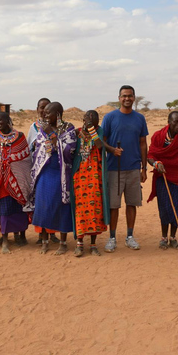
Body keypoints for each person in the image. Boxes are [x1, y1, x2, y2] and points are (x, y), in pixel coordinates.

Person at [102, 85, 147, 252]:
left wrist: (143, 168)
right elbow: (102, 141)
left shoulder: (140, 118)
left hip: (134, 168)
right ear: (119, 98)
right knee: (114, 205)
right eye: (124, 96)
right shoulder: (110, 117)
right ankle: (112, 238)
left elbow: (143, 143)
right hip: (114, 168)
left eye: (130, 96)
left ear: (134, 98)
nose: (127, 98)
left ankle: (130, 236)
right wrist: (112, 150)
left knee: (132, 203)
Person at [31, 102, 76, 255]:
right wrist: (47, 134)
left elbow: (70, 151)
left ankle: (63, 243)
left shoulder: (68, 128)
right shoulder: (42, 129)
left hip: (62, 174)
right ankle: (44, 242)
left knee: (62, 207)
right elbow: (38, 149)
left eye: (48, 112)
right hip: (45, 172)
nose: (44, 114)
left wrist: (51, 134)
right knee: (43, 206)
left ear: (57, 114)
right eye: (44, 112)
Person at [0, 111, 32, 254]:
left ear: (8, 120)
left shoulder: (20, 137)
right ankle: (5, 241)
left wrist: (9, 161)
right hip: (2, 182)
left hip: (18, 181)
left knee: (19, 209)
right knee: (5, 211)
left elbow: (24, 157)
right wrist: (4, 163)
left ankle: (21, 236)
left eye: (0, 120)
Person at [70, 110, 111, 257]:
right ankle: (79, 244)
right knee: (80, 209)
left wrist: (92, 130)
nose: (90, 119)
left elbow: (100, 146)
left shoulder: (99, 131)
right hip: (80, 175)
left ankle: (93, 244)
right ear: (82, 119)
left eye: (94, 118)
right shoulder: (76, 133)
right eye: (88, 117)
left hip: (95, 176)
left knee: (95, 208)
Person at [148, 111, 178, 251]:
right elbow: (151, 155)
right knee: (164, 208)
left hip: (177, 177)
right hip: (162, 177)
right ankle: (163, 237)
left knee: (176, 208)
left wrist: (173, 167)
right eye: (175, 122)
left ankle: (173, 237)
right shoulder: (158, 136)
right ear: (169, 121)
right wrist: (156, 164)